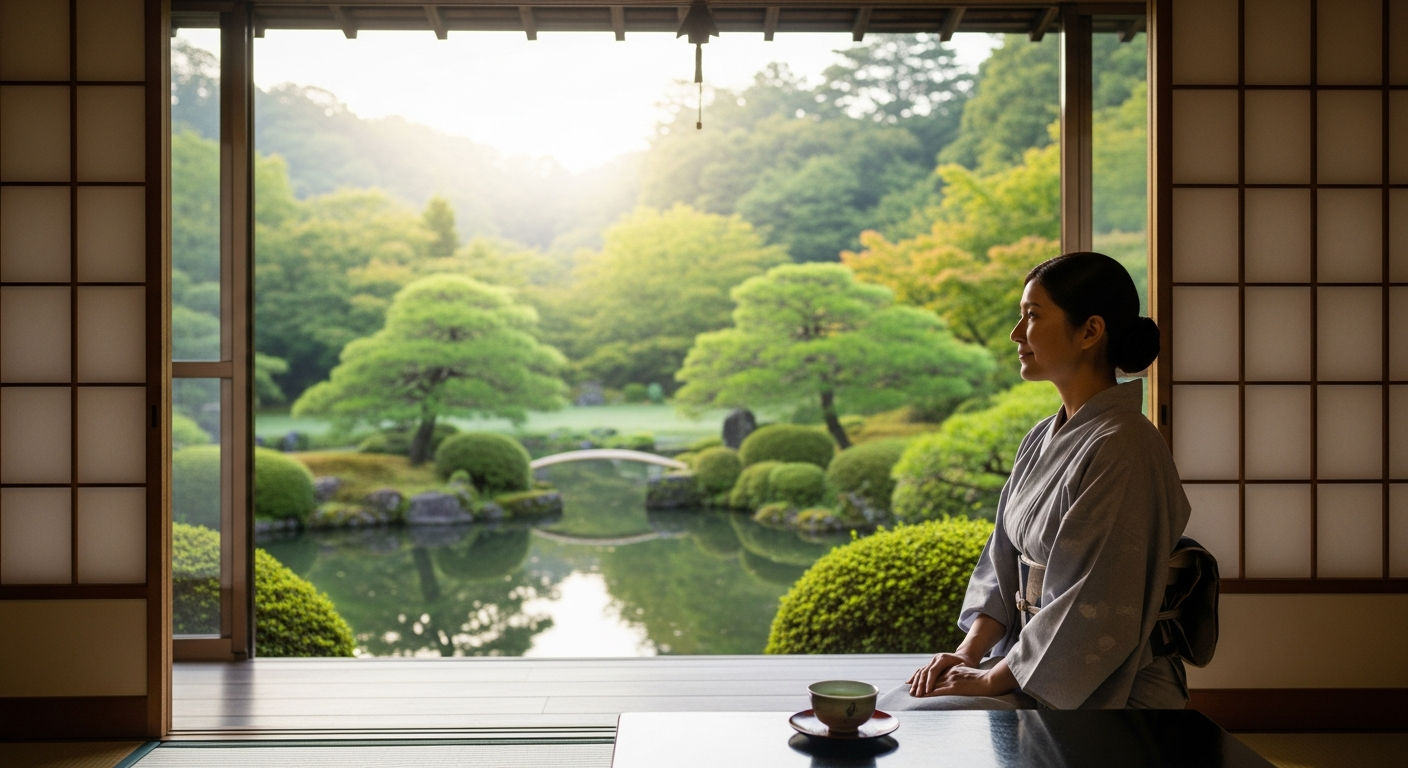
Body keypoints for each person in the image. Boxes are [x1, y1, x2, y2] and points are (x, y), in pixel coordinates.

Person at [878, 252, 1190, 711]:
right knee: (899, 706)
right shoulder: (1042, 435)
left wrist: (989, 681)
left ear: (1090, 331)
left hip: (1102, 687)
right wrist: (967, 654)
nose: (1016, 333)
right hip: (1029, 663)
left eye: (1032, 316)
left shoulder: (1124, 447)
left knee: (915, 723)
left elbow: (1095, 600)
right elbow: (1002, 560)